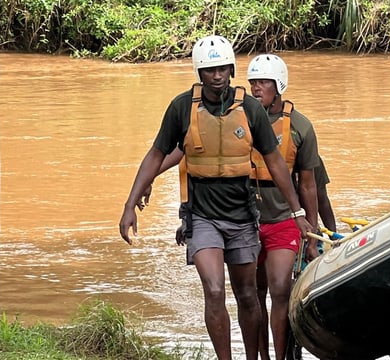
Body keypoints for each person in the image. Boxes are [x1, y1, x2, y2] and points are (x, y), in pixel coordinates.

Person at [118, 35, 313, 360]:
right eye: (210, 70)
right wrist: (130, 203)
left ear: (231, 69)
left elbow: (276, 162)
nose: (218, 75)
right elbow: (158, 153)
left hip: (242, 218)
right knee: (214, 289)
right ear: (200, 72)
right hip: (202, 218)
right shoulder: (182, 107)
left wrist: (297, 212)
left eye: (223, 68)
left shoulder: (250, 109)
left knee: (248, 295)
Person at [244, 53, 333, 360]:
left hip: (284, 218)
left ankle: (281, 357)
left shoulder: (300, 127)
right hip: (246, 220)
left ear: (278, 85)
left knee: (280, 289)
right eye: (253, 82)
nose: (256, 88)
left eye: (263, 82)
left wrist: (313, 233)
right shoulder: (238, 120)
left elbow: (310, 185)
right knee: (253, 294)